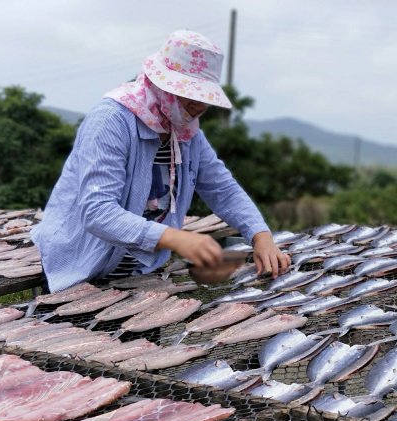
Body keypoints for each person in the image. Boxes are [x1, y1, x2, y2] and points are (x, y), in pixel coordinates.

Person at [31, 30, 290, 292]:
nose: (199, 105)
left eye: (204, 96)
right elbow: (97, 211)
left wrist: (261, 236)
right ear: (162, 84)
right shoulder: (111, 120)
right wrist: (176, 239)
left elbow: (223, 189)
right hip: (82, 268)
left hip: (139, 272)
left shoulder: (187, 133)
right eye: (190, 93)